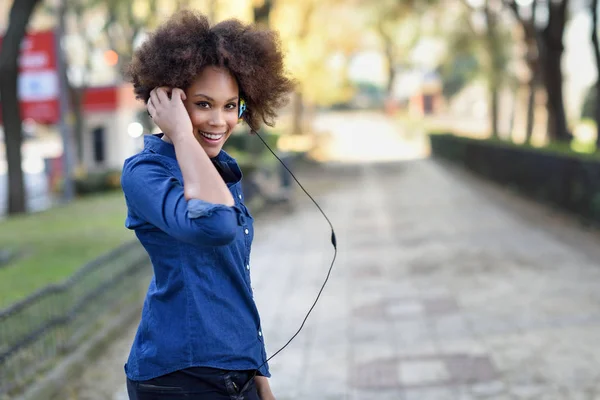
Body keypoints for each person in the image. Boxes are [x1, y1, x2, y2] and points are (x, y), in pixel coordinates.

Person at [120, 10, 294, 400]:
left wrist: (260, 379)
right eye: (203, 104)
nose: (220, 120)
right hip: (179, 379)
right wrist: (180, 132)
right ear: (170, 100)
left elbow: (231, 282)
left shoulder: (218, 171)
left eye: (231, 106)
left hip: (236, 373)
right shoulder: (145, 173)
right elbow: (215, 225)